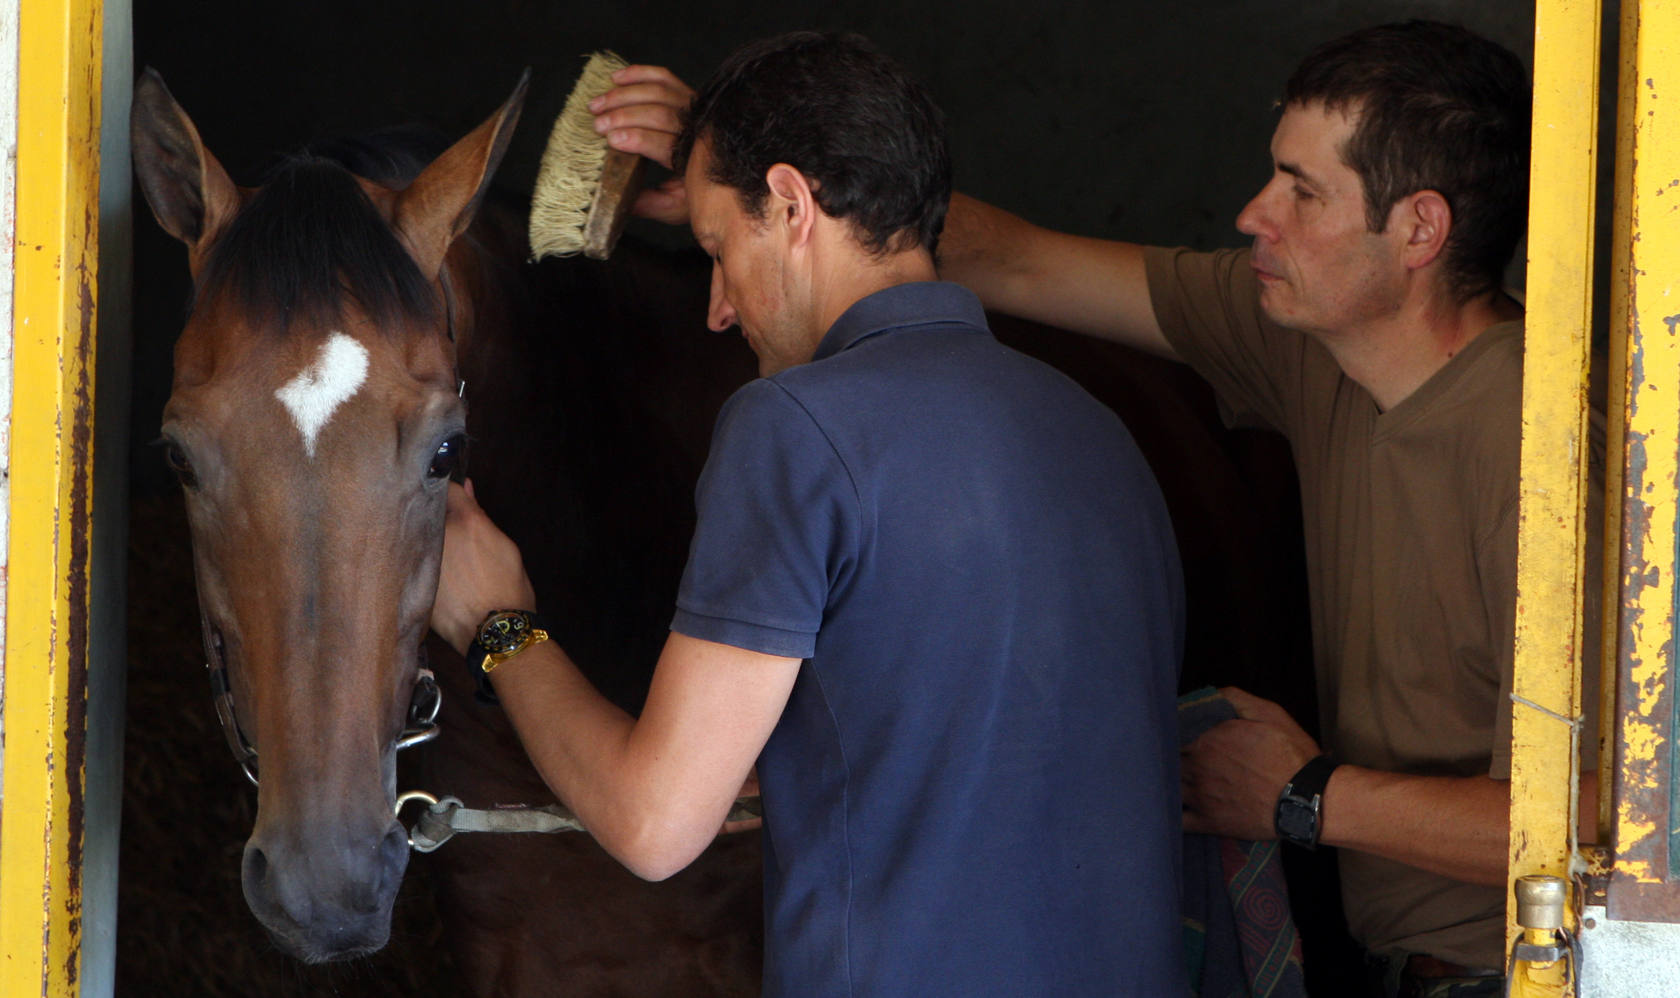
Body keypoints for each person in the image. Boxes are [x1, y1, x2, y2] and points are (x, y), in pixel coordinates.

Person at [586, 18, 1596, 998]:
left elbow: (1615, 821)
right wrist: (753, 173)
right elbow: (1011, 258)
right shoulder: (1303, 348)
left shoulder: (1543, 450)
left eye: (1301, 191)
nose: (1252, 214)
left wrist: (1305, 796)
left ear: (1418, 228)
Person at [434, 31, 1188, 996]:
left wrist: (498, 627)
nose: (716, 307)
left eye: (716, 249)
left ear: (791, 205)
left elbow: (655, 825)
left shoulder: (789, 427)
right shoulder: (1098, 433)